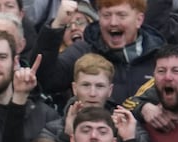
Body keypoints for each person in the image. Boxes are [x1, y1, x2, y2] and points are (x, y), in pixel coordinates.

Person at [36, 0, 166, 104]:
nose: (113, 22)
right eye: (106, 15)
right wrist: (56, 25)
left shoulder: (159, 56)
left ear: (139, 19)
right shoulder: (83, 51)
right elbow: (46, 79)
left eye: (121, 15)